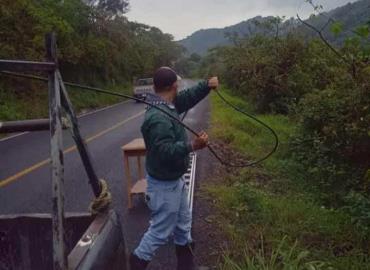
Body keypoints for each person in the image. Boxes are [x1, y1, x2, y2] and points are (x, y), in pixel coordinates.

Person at [129, 67, 219, 270]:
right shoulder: (158, 117)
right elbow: (163, 152)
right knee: (160, 232)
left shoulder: (167, 104)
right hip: (164, 186)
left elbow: (187, 98)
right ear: (174, 86)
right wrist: (192, 146)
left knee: (183, 227)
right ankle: (135, 262)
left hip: (175, 181)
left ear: (154, 87)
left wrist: (207, 85)